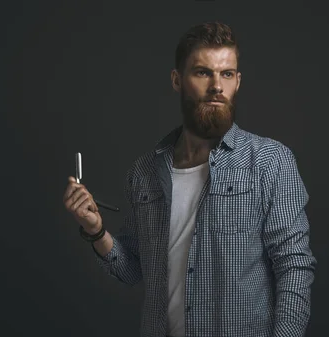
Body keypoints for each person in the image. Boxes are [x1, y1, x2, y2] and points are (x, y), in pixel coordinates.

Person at [63, 22, 316, 337]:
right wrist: (95, 229)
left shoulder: (270, 161)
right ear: (177, 80)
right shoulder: (144, 173)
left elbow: (294, 267)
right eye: (202, 72)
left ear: (238, 82)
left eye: (226, 74)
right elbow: (133, 271)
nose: (216, 86)